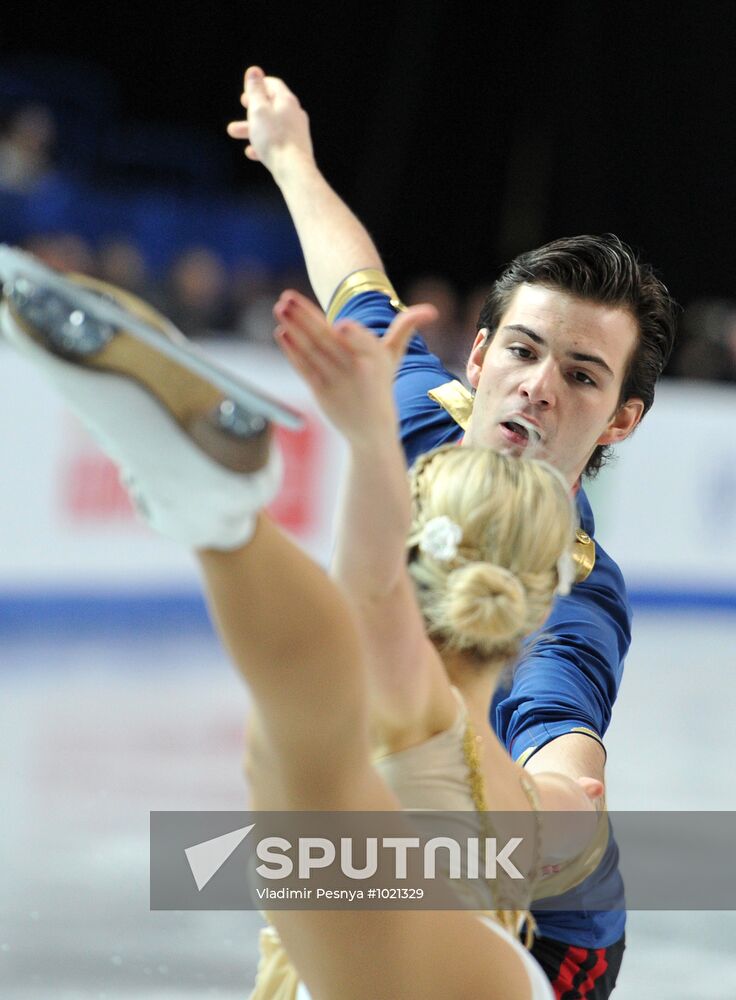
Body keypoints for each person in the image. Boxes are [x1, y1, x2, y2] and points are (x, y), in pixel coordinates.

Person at [1, 248, 607, 998]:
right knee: (308, 770)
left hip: (439, 958)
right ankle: (218, 519)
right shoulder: (522, 789)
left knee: (307, 741)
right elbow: (574, 805)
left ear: (423, 548)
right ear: (544, 600)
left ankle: (221, 520)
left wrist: (367, 440)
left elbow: (366, 595)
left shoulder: (419, 702)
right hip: (484, 970)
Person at [228, 66, 679, 998]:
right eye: (522, 350)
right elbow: (354, 279)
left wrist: (545, 794)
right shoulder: (414, 405)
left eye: (584, 377)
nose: (538, 386)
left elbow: (564, 757)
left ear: (621, 421)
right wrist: (290, 155)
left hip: (552, 933)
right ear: (479, 355)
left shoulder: (575, 586)